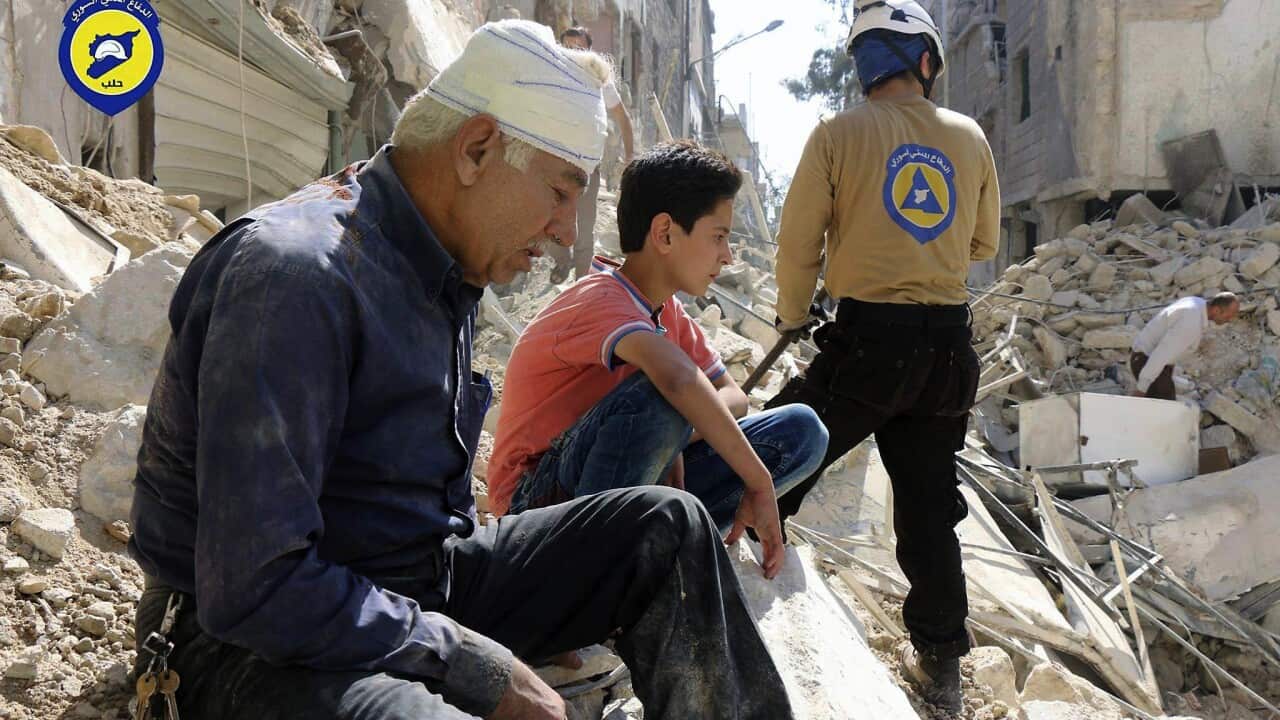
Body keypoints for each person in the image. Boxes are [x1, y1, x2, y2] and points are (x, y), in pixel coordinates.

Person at [129, 20, 793, 720]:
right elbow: (253, 587)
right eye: (561, 192)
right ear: (477, 150)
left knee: (667, 528)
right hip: (246, 642)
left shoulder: (446, 264)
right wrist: (471, 663)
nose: (567, 231)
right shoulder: (296, 277)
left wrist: (478, 631)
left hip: (413, 584)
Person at [762, 0, 1001, 713]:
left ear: (864, 68)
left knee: (771, 459)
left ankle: (713, 579)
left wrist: (794, 313)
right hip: (948, 354)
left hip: (868, 346)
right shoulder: (969, 136)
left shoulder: (836, 134)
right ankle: (941, 666)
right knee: (928, 514)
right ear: (926, 61)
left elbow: (798, 243)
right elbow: (984, 243)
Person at [488, 141, 828, 577]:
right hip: (537, 505)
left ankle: (649, 552)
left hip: (622, 485)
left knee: (803, 429)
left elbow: (733, 395)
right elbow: (678, 381)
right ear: (665, 233)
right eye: (718, 237)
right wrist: (758, 481)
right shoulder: (600, 299)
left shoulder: (668, 312)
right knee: (664, 399)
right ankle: (588, 576)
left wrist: (678, 435)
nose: (727, 256)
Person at [549, 25, 636, 283]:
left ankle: (581, 284)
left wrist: (630, 156)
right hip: (554, 163)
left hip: (587, 166)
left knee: (584, 231)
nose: (573, 52)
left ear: (589, 50)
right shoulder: (552, 74)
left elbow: (623, 118)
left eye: (579, 47)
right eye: (568, 46)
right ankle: (562, 261)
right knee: (550, 218)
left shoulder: (599, 81)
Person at [1131, 292, 1239, 400]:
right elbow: (1161, 355)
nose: (1229, 320)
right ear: (1216, 310)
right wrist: (1141, 388)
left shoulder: (1197, 304)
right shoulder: (1190, 322)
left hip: (1150, 361)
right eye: (1228, 316)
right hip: (1147, 361)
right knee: (1162, 407)